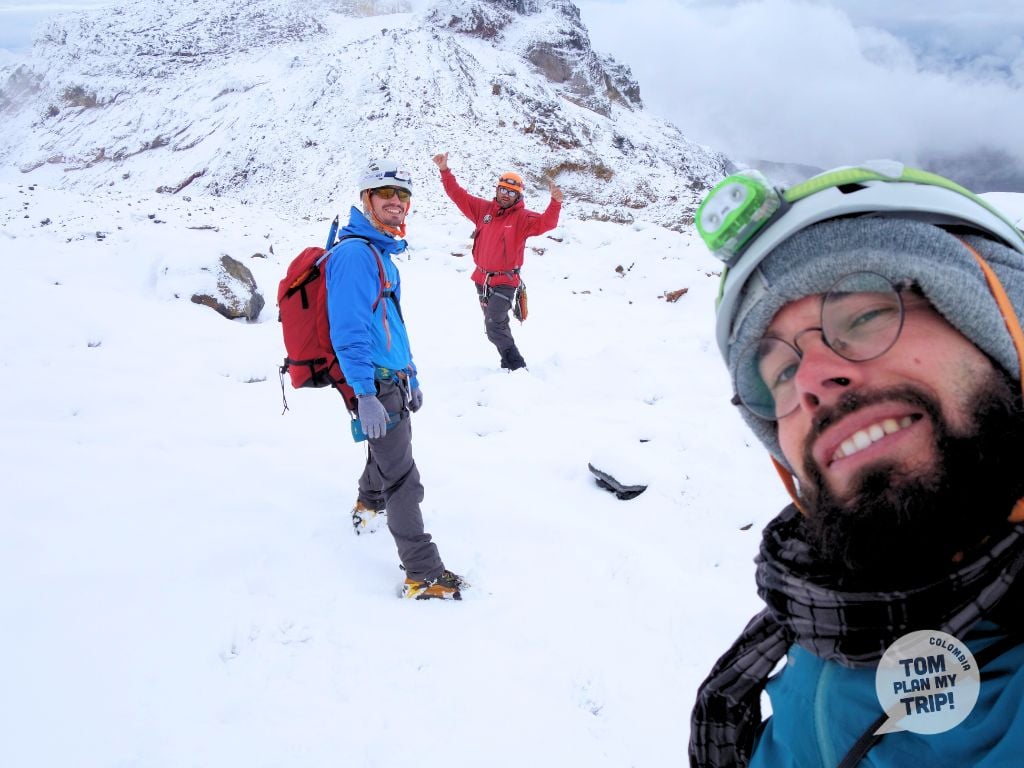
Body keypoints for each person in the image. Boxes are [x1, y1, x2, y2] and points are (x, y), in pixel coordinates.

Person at [688, 160, 1024, 766]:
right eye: (781, 373)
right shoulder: (824, 612)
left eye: (865, 315)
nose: (812, 379)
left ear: (1005, 323)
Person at [328, 158, 466, 600]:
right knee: (405, 478)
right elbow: (348, 333)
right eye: (385, 193)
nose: (396, 202)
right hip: (375, 383)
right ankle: (422, 573)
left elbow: (392, 324)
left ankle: (368, 503)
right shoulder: (355, 255)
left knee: (385, 451)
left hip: (392, 380)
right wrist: (365, 394)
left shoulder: (380, 253)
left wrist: (412, 374)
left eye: (403, 195)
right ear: (366, 199)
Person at [432, 151, 563, 371]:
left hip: (505, 281)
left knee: (494, 325)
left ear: (518, 196)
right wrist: (445, 171)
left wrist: (555, 203)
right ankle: (507, 363)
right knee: (496, 326)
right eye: (503, 189)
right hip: (481, 280)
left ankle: (517, 366)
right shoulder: (484, 211)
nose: (505, 194)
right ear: (497, 189)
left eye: (511, 192)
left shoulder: (523, 218)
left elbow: (546, 223)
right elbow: (458, 195)